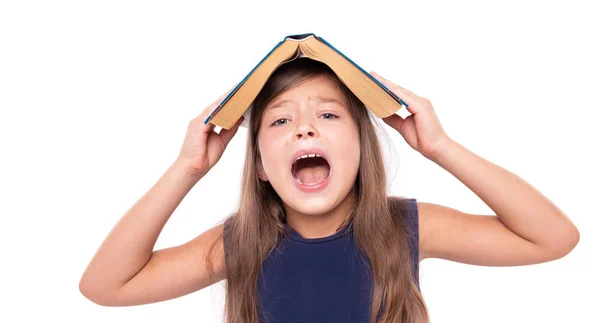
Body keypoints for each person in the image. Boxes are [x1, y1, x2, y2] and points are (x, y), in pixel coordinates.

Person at [79, 58, 580, 323]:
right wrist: (187, 169)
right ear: (260, 166)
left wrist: (440, 146)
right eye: (279, 120)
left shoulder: (405, 226)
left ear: (363, 148)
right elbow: (105, 287)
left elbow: (551, 238)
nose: (304, 130)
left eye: (327, 114)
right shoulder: (239, 244)